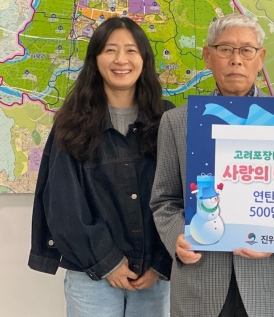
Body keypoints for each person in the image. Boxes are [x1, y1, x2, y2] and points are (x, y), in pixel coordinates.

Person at [150, 14, 274, 317]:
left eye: (246, 50)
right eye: (225, 49)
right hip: (200, 286)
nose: (236, 60)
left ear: (261, 58)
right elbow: (164, 200)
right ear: (208, 57)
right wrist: (179, 237)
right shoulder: (177, 122)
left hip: (270, 288)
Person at [29, 16, 173, 317]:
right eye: (110, 50)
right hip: (91, 275)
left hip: (154, 277)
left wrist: (161, 263)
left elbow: (180, 196)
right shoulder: (72, 122)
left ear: (144, 59)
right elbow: (63, 204)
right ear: (95, 59)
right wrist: (107, 262)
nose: (121, 60)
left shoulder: (168, 119)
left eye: (131, 50)